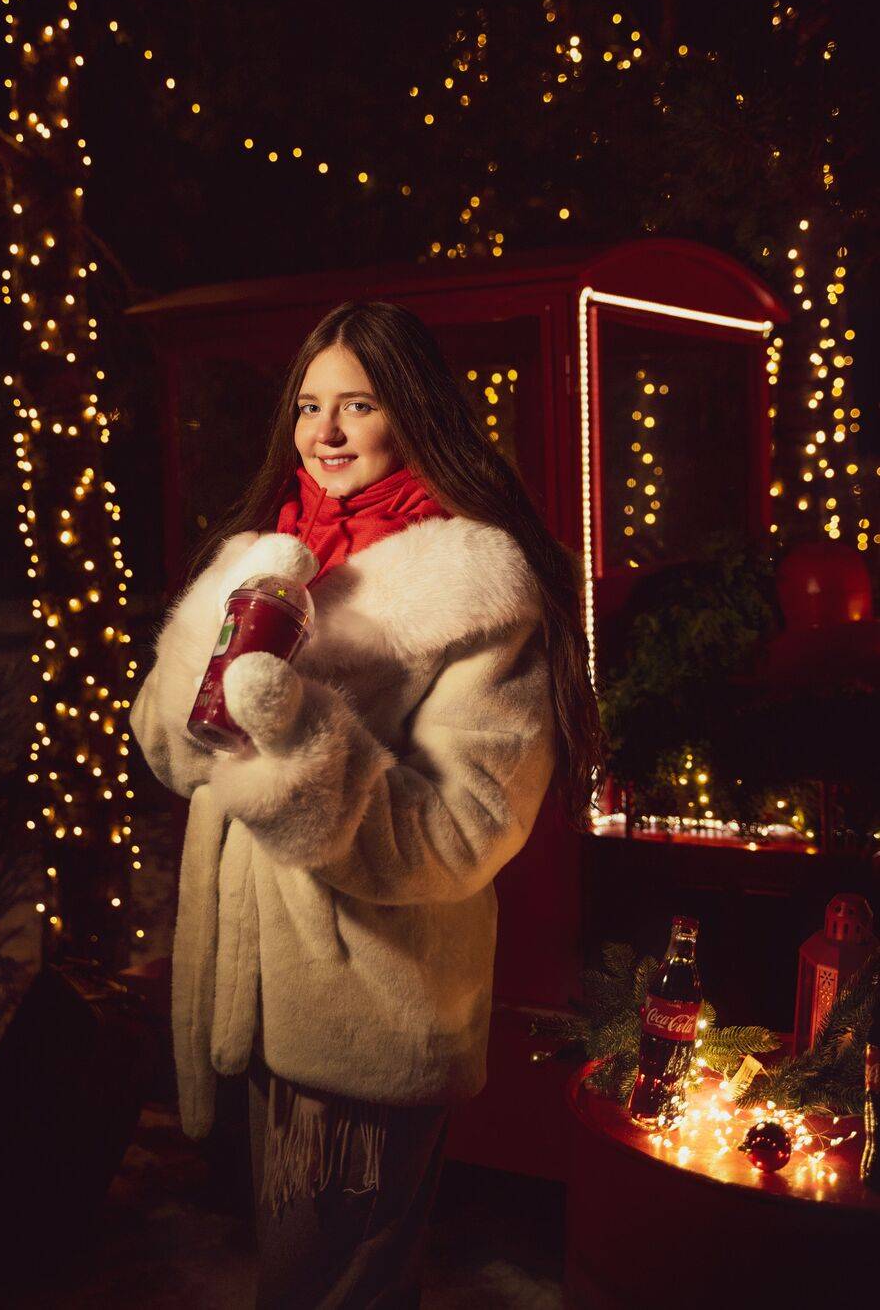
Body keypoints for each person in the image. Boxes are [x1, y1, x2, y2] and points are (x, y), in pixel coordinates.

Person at [129, 300, 603, 1308]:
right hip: (254, 991)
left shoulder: (476, 595)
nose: (326, 433)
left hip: (366, 1002)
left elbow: (465, 830)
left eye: (359, 404)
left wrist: (300, 741)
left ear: (416, 414)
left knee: (335, 1290)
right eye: (309, 406)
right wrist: (221, 648)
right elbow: (173, 751)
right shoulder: (271, 556)